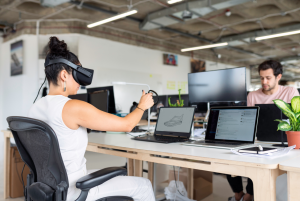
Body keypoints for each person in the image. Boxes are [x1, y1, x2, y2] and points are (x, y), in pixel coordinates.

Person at [28, 36, 155, 201]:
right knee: (144, 185)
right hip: (74, 189)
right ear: (64, 75)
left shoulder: (35, 108)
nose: (80, 82)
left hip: (50, 187)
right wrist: (142, 106)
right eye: (77, 73)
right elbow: (128, 124)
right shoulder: (72, 107)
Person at [227, 60, 299, 201]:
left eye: (268, 78)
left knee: (261, 164)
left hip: (284, 142)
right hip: (259, 140)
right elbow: (248, 122)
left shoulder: (290, 92)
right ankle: (239, 194)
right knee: (229, 159)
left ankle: (248, 195)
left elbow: (297, 120)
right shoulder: (253, 96)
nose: (264, 81)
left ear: (278, 77)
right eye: (261, 77)